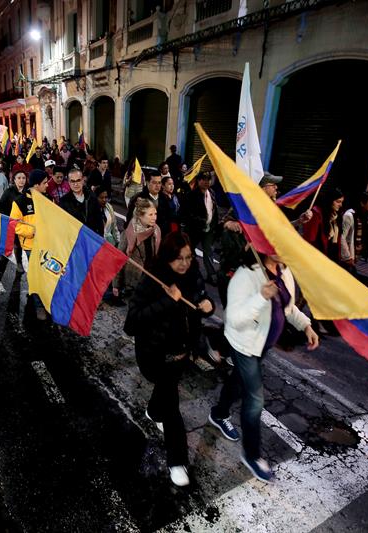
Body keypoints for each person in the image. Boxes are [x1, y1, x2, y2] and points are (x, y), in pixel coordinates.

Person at [208, 250, 319, 482]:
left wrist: (306, 326)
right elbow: (234, 318)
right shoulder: (245, 275)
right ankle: (252, 455)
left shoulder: (283, 270)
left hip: (262, 346)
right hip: (244, 345)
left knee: (237, 381)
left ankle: (219, 413)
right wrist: (260, 297)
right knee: (254, 399)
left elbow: (287, 308)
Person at [124, 232, 214, 487]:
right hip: (155, 357)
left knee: (164, 400)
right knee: (172, 409)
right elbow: (131, 324)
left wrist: (208, 305)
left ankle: (153, 413)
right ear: (166, 259)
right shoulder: (152, 281)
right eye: (178, 259)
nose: (184, 264)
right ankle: (177, 462)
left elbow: (199, 299)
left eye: (188, 258)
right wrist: (165, 300)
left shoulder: (193, 275)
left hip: (182, 354)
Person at [10, 169, 50, 320]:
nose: (47, 185)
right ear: (36, 184)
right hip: (30, 247)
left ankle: (45, 301)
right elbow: (15, 225)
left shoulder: (48, 199)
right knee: (35, 278)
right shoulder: (19, 201)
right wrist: (33, 231)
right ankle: (39, 306)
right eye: (45, 183)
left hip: (47, 245)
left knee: (47, 276)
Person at [114, 198, 161, 296]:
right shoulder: (129, 233)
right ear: (140, 216)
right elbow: (119, 259)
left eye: (155, 214)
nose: (154, 218)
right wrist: (116, 285)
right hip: (134, 281)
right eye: (150, 215)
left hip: (150, 278)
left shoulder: (156, 230)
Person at [185, 172, 219, 284]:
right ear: (198, 181)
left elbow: (214, 211)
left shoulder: (212, 193)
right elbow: (188, 214)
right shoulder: (191, 195)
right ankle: (190, 274)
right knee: (190, 252)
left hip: (209, 229)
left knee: (208, 252)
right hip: (195, 230)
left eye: (208, 179)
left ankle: (211, 275)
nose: (206, 182)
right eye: (203, 179)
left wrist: (216, 224)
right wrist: (201, 221)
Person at [302, 188, 345, 260]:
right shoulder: (316, 213)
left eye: (342, 202)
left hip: (333, 253)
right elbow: (310, 238)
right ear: (329, 200)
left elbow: (339, 238)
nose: (340, 205)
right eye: (338, 202)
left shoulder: (336, 215)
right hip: (319, 255)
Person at [60, 169, 103, 235]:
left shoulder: (92, 197)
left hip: (92, 239)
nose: (76, 184)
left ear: (83, 180)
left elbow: (99, 222)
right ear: (68, 182)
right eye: (72, 181)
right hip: (75, 240)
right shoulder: (64, 201)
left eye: (78, 180)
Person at [130, 171, 172, 237]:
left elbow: (168, 219)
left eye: (159, 183)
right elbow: (131, 219)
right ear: (147, 182)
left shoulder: (164, 198)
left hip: (160, 236)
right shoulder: (139, 198)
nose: (157, 186)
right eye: (154, 182)